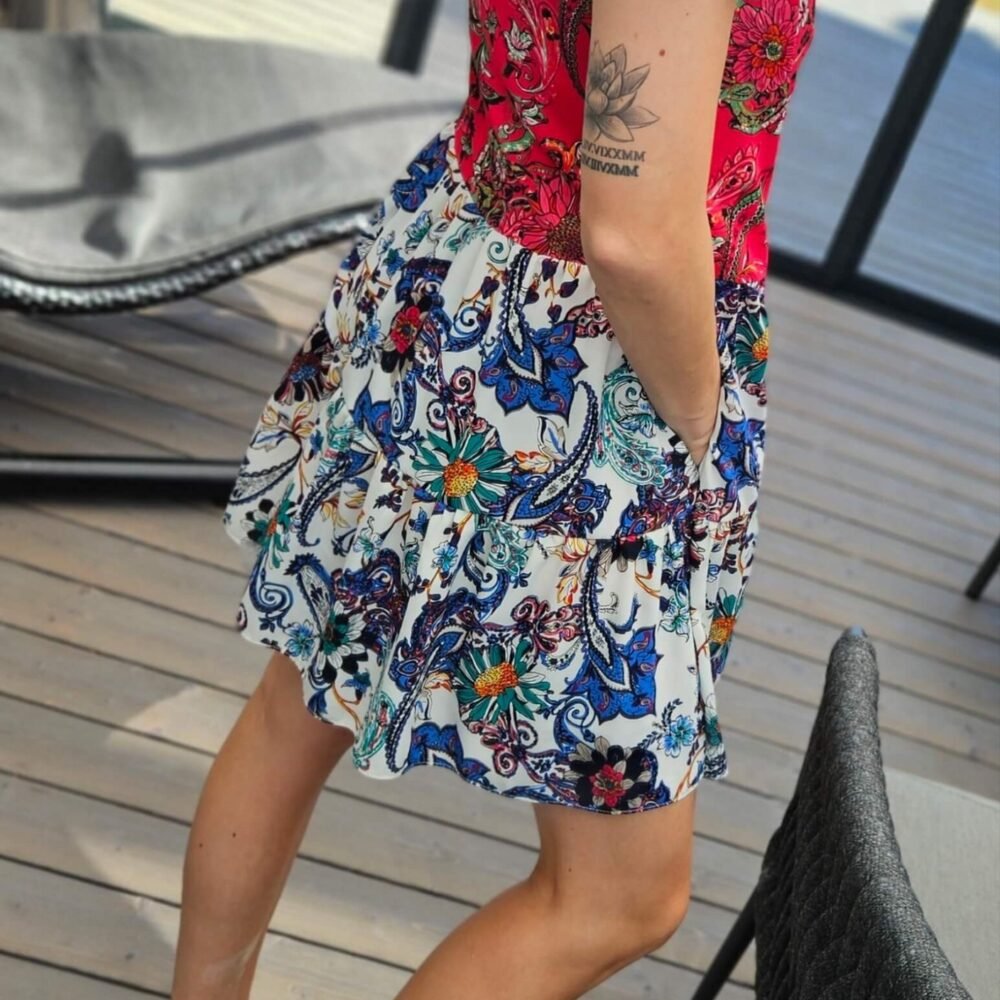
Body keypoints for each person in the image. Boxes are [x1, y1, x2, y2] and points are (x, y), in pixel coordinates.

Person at [171, 0, 816, 996]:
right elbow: (633, 230)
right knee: (619, 893)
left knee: (295, 707)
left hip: (457, 257)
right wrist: (700, 419)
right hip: (586, 361)